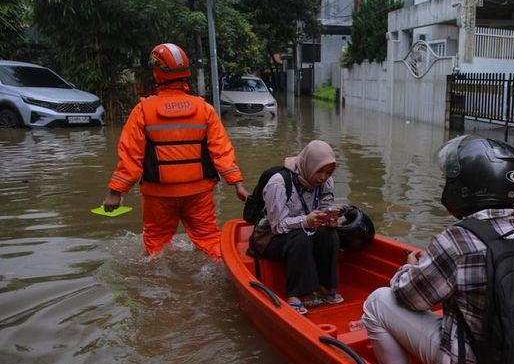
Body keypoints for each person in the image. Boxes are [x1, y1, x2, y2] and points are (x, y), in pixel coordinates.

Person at [361, 135, 514, 364]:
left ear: (471, 185)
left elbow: (409, 297)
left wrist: (409, 269)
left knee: (377, 302)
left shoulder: (458, 238)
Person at [102, 43, 248, 258]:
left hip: (158, 194)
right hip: (198, 193)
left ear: (157, 72)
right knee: (209, 241)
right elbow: (221, 150)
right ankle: (226, 277)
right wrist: (237, 184)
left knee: (156, 248)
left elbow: (131, 156)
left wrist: (116, 192)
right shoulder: (204, 109)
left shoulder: (143, 110)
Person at [251, 140, 344, 315]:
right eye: (320, 171)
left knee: (329, 234)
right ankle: (297, 294)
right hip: (271, 237)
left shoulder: (325, 182)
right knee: (300, 237)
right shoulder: (278, 183)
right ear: (309, 165)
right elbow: (277, 226)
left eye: (328, 172)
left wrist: (330, 218)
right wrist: (306, 222)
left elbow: (324, 207)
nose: (323, 176)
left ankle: (326, 286)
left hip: (306, 229)